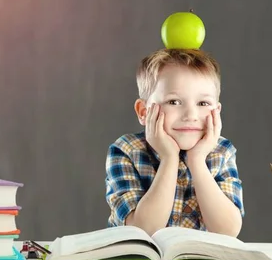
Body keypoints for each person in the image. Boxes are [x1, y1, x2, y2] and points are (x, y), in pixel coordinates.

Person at [105, 48, 244, 237]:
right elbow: (142, 231)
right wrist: (169, 158)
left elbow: (227, 231)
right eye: (174, 102)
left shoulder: (221, 151)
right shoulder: (126, 150)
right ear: (144, 111)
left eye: (202, 103)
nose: (191, 116)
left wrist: (197, 161)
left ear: (217, 112)